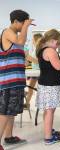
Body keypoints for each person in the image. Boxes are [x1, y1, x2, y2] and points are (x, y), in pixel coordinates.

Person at [0, 9, 34, 150]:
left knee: (11, 111)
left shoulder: (15, 37)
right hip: (8, 81)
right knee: (4, 112)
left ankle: (9, 137)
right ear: (15, 22)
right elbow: (20, 40)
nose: (24, 26)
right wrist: (26, 26)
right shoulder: (8, 32)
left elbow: (20, 51)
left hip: (16, 81)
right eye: (23, 23)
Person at [35, 29, 60, 145]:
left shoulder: (42, 50)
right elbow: (58, 66)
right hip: (50, 86)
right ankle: (48, 137)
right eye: (57, 44)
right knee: (50, 111)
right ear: (52, 41)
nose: (57, 47)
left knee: (48, 110)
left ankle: (48, 130)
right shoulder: (50, 51)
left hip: (45, 84)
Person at [25, 33, 43, 108]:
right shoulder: (35, 49)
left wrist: (28, 57)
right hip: (34, 71)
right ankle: (27, 104)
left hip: (39, 71)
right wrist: (27, 59)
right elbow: (32, 60)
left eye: (33, 40)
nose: (32, 41)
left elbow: (39, 61)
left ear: (36, 40)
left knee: (37, 89)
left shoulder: (40, 49)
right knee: (30, 88)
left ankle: (41, 104)